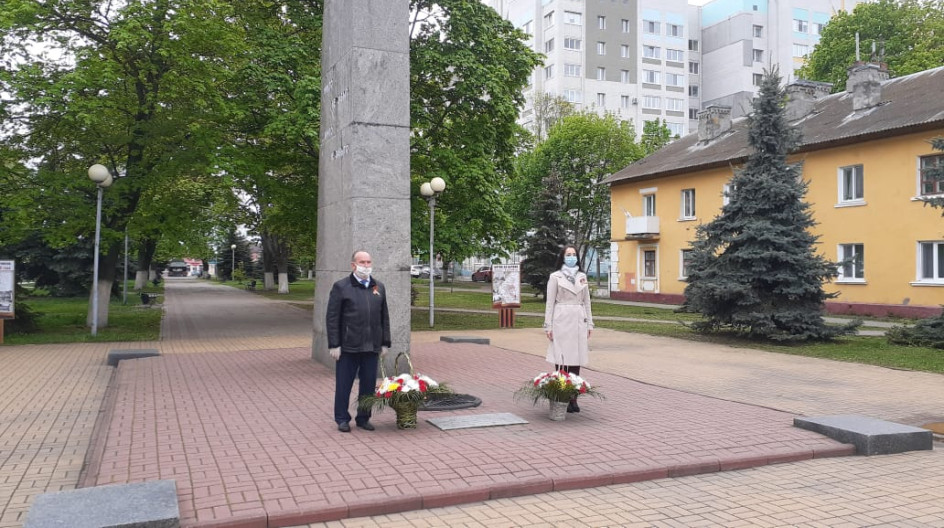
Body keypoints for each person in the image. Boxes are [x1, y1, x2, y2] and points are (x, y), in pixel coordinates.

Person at [326, 250, 391, 432]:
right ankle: (342, 418)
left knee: (368, 384)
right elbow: (332, 318)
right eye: (362, 262)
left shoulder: (378, 287)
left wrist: (385, 342)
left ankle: (363, 417)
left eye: (369, 262)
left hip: (371, 345)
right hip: (348, 346)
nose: (366, 265)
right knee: (344, 384)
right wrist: (334, 344)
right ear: (353, 265)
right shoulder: (341, 287)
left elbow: (384, 316)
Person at [543, 245, 594, 413]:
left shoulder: (582, 276)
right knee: (562, 359)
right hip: (561, 319)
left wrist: (590, 323)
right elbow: (550, 302)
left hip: (579, 318)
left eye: (574, 254)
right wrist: (548, 325)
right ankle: (561, 395)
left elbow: (587, 301)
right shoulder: (555, 277)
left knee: (576, 359)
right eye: (568, 254)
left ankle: (573, 398)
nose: (571, 257)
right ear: (563, 257)